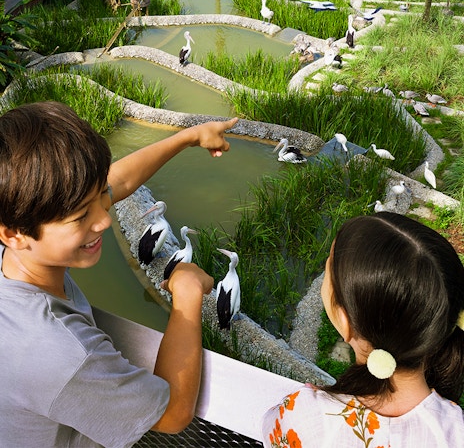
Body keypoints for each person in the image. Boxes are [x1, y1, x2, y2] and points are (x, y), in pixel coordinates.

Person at [0, 100, 238, 448]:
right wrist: (186, 295)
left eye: (100, 197)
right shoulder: (65, 355)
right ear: (14, 234)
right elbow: (172, 415)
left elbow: (118, 180)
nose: (104, 219)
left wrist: (188, 137)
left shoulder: (18, 233)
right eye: (81, 217)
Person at [262, 212, 464, 447]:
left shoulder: (307, 418)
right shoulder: (457, 429)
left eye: (328, 271)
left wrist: (317, 400)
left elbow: (269, 430)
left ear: (344, 321)